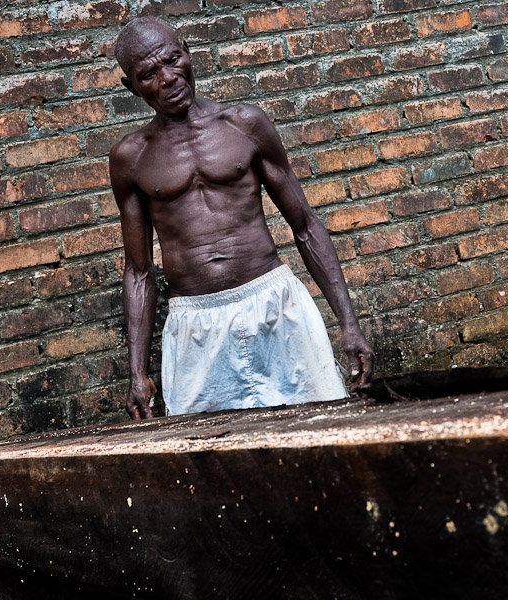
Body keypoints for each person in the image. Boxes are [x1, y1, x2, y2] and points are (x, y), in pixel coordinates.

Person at [110, 17, 374, 420]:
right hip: (195, 327)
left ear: (187, 51)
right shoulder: (131, 157)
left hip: (275, 305)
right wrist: (137, 372)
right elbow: (139, 272)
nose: (168, 77)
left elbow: (304, 225)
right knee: (208, 461)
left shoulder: (244, 124)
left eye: (172, 59)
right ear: (132, 87)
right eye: (149, 73)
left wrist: (349, 323)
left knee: (323, 433)